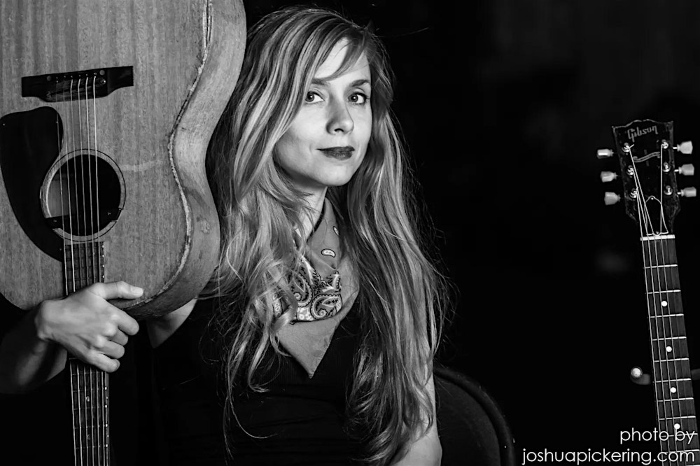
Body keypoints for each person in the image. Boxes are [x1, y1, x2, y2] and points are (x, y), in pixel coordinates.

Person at [0, 5, 446, 465]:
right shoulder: (187, 243)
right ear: (260, 106)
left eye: (357, 96)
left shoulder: (392, 263)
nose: (344, 121)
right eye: (312, 95)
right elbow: (12, 377)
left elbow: (420, 442)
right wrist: (44, 328)